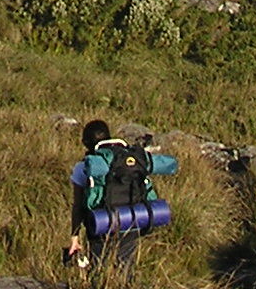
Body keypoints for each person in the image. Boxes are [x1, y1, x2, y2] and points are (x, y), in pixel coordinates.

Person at [67, 120, 176, 281]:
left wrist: (75, 237)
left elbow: (78, 206)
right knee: (125, 272)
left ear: (85, 143)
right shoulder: (131, 158)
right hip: (132, 222)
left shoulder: (85, 166)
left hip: (100, 225)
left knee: (99, 274)